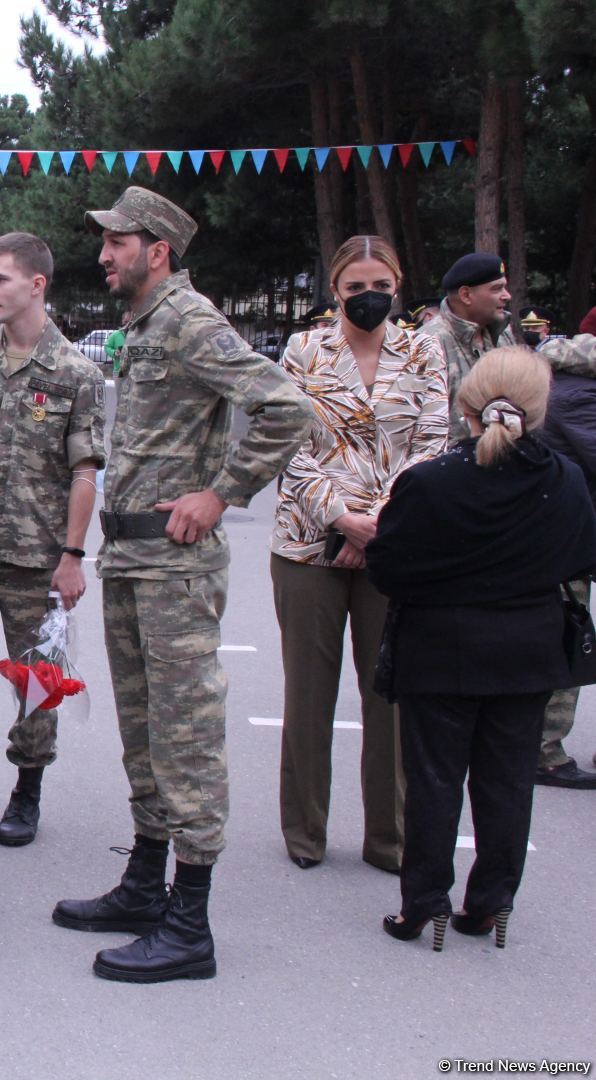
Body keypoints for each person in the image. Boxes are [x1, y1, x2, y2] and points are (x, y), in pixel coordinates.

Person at [51, 186, 309, 984]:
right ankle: (144, 885)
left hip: (175, 567)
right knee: (145, 733)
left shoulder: (191, 320)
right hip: (131, 559)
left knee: (185, 737)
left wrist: (221, 493)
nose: (103, 255)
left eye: (117, 243)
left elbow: (285, 407)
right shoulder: (144, 323)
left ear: (156, 251)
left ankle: (189, 922)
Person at [367, 347, 596, 950]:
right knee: (508, 780)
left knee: (434, 779)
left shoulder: (429, 481)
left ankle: (423, 903)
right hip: (529, 648)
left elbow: (387, 567)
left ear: (464, 404)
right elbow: (579, 556)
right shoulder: (564, 481)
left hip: (440, 649)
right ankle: (492, 901)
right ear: (541, 411)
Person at [270, 236, 449, 874]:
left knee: (391, 700)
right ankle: (305, 833)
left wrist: (377, 525)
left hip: (394, 546)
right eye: (354, 287)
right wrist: (343, 521)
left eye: (380, 285)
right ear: (334, 289)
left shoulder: (423, 350)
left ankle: (389, 838)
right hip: (308, 544)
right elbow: (287, 445)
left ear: (397, 285)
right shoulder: (304, 350)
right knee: (309, 699)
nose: (368, 297)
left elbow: (432, 445)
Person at [0, 232, 104, 846]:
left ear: (36, 285)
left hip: (38, 560)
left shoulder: (75, 372)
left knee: (37, 684)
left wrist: (72, 556)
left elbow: (84, 471)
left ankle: (27, 789)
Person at [533, 349, 596, 789]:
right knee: (569, 636)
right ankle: (543, 750)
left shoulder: (567, 385)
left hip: (571, 529)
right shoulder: (580, 395)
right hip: (572, 534)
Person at [422, 253, 518, 442]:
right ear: (466, 295)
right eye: (497, 289)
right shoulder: (427, 344)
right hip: (452, 465)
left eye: (505, 287)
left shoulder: (502, 332)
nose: (507, 296)